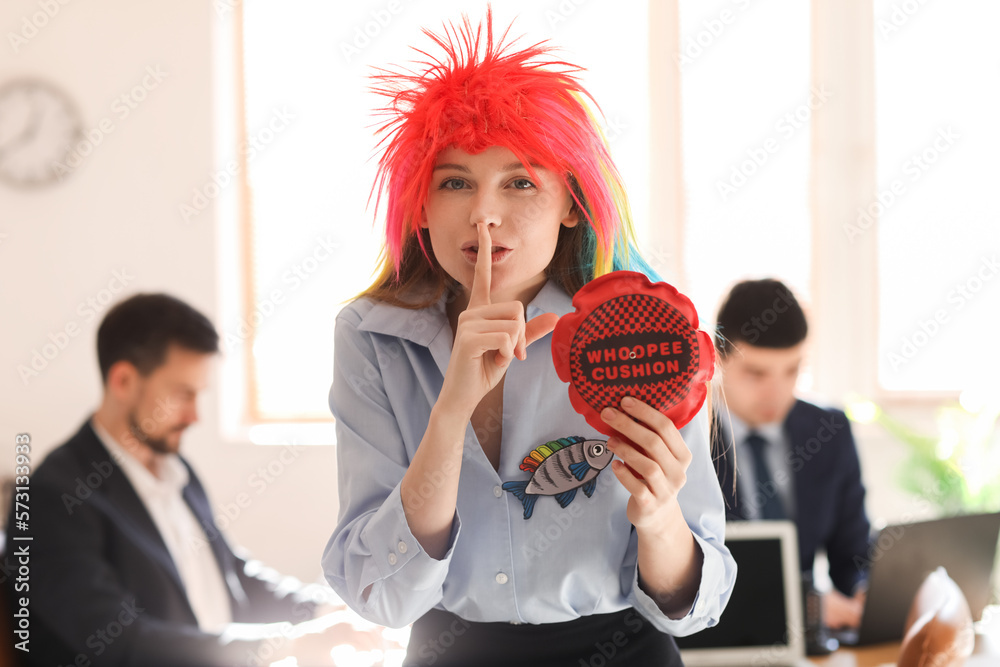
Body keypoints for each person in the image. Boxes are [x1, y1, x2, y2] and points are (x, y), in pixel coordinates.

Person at [321, 11, 736, 667]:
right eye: (454, 181)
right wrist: (451, 408)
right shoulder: (372, 337)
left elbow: (699, 604)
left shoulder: (637, 333)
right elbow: (380, 593)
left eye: (520, 181)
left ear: (572, 201)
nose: (484, 212)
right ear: (420, 206)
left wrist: (658, 514)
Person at [4, 293, 368, 667]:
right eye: (182, 394)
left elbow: (233, 572)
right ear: (124, 381)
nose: (195, 416)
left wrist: (328, 612)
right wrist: (285, 646)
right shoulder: (50, 499)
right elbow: (120, 643)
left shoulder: (177, 470)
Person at [710, 278, 871, 629]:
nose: (776, 392)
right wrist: (802, 605)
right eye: (756, 373)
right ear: (717, 357)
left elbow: (853, 551)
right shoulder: (682, 439)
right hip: (719, 638)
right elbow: (680, 575)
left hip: (810, 648)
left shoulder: (829, 432)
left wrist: (865, 591)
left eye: (792, 370)